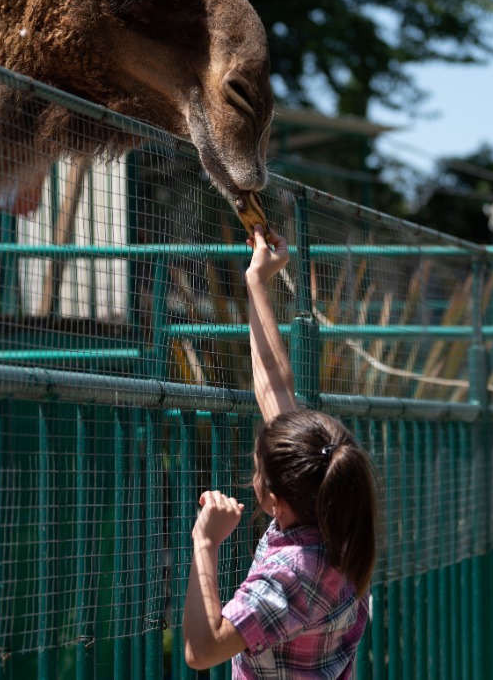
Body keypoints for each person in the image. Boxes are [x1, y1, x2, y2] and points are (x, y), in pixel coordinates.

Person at [182, 225, 380, 678]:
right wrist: (257, 280)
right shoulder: (340, 527)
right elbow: (275, 385)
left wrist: (205, 541)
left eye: (258, 466)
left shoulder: (292, 574)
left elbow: (203, 649)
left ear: (275, 498)